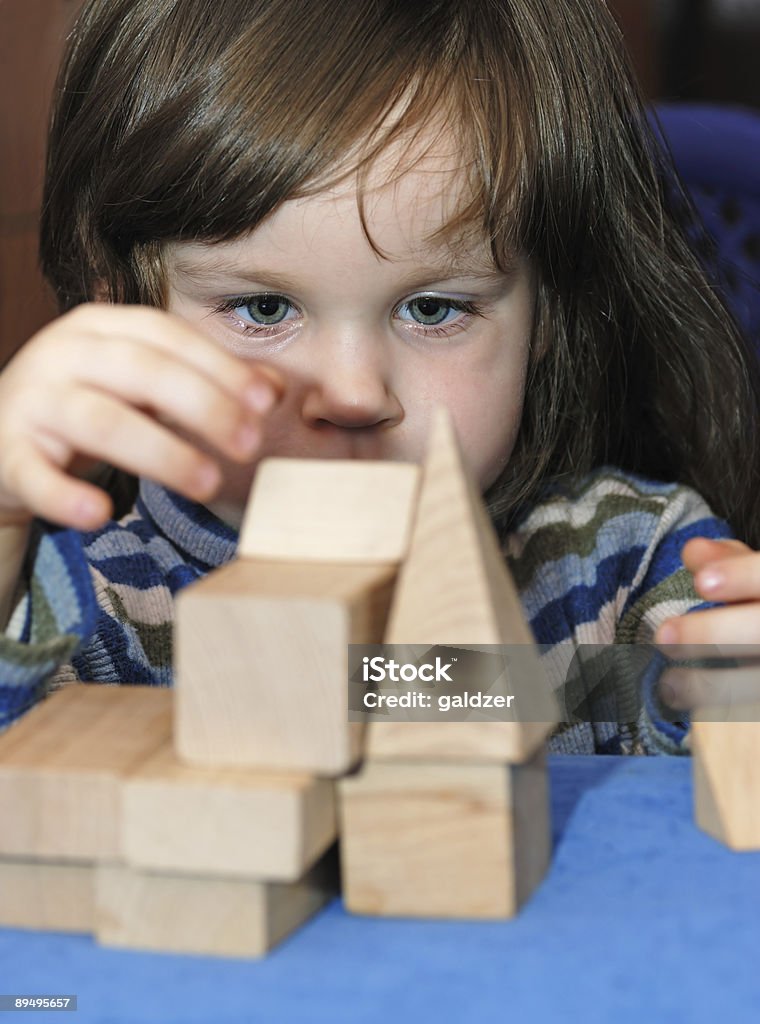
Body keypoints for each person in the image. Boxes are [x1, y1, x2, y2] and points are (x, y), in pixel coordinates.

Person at [0, 0, 758, 753]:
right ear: (121, 306)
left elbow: (712, 726)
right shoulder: (91, 610)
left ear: (547, 316)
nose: (355, 393)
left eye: (432, 310)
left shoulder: (627, 568)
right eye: (264, 308)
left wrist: (731, 691)